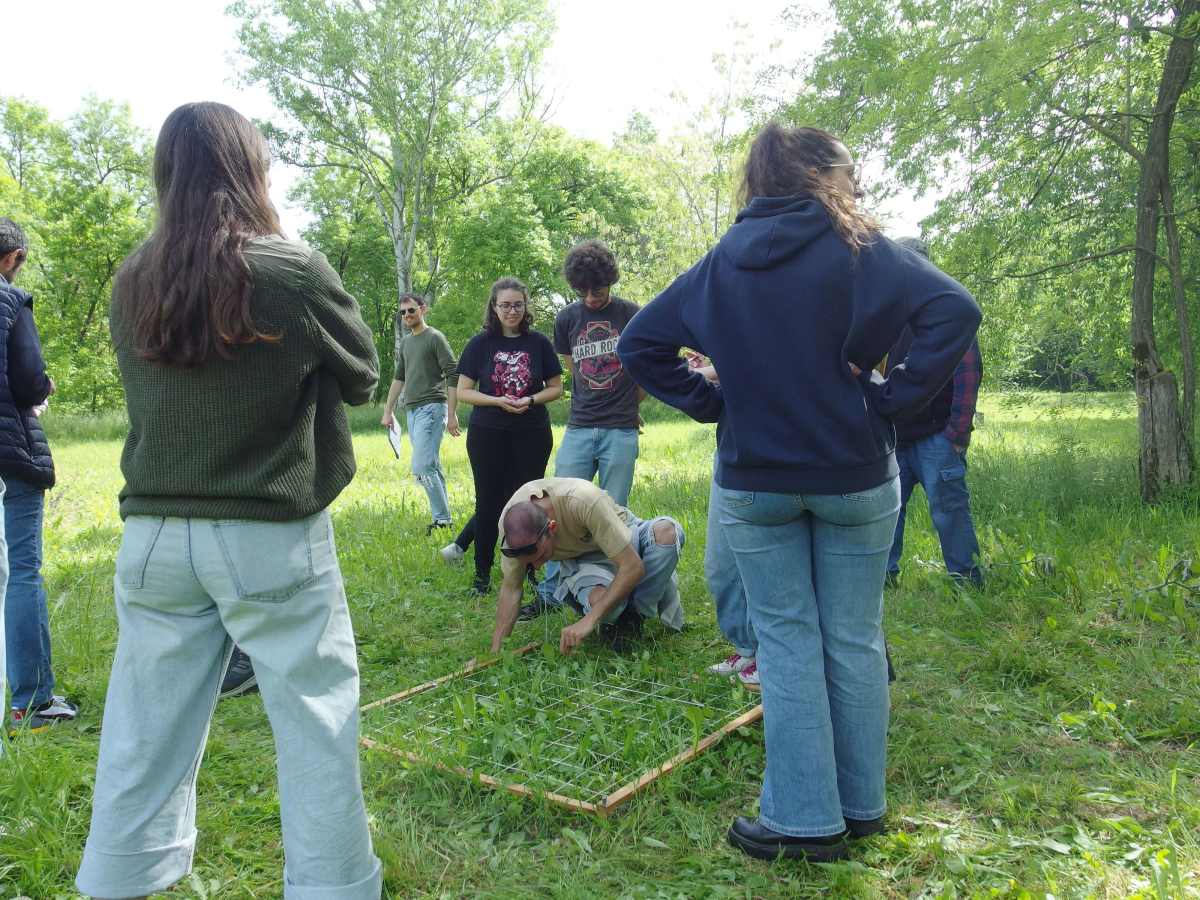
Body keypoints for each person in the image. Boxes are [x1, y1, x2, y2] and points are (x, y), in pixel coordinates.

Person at [619, 123, 980, 862]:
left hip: (757, 481)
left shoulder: (723, 261)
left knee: (785, 642)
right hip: (857, 474)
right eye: (848, 169)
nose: (857, 184)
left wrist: (717, 404)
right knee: (854, 637)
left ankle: (804, 822)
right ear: (815, 174)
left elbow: (639, 345)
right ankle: (861, 808)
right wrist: (891, 400)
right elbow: (956, 309)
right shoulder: (865, 249)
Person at [75, 102, 382, 900]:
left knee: (143, 727)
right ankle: (334, 888)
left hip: (152, 534)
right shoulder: (291, 270)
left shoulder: (131, 279)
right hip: (266, 530)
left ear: (166, 174)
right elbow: (362, 374)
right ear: (253, 169)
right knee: (315, 718)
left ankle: (118, 879)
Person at [521, 239, 647, 620]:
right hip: (579, 427)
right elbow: (574, 370)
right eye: (583, 292)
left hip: (620, 430)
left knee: (611, 515)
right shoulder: (566, 319)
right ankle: (550, 592)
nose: (591, 298)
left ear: (611, 281)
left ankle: (611, 591)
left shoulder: (632, 315)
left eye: (598, 290)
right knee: (554, 509)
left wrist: (630, 405)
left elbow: (647, 369)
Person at [0, 216, 77, 734]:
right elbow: (29, 382)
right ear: (13, 258)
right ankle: (30, 702)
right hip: (10, 458)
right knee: (21, 572)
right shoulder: (11, 301)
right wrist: (43, 388)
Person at [444, 277, 563, 594]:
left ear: (526, 307)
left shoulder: (539, 343)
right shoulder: (479, 344)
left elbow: (556, 388)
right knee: (488, 502)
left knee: (529, 504)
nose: (512, 311)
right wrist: (498, 401)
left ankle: (531, 569)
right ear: (494, 308)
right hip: (488, 433)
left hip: (532, 432)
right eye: (505, 305)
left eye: (518, 304)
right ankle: (481, 575)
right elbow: (464, 392)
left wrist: (530, 399)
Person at [885, 237, 985, 588]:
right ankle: (884, 579)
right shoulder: (887, 317)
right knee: (888, 513)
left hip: (937, 438)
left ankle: (968, 583)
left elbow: (968, 375)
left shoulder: (945, 314)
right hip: (894, 438)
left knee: (950, 512)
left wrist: (958, 433)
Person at [492, 478, 684, 654]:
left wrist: (588, 621)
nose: (536, 567)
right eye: (530, 563)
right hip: (583, 559)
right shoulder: (512, 531)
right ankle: (622, 612)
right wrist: (496, 651)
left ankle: (634, 616)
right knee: (600, 603)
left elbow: (633, 566)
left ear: (553, 528)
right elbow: (511, 589)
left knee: (667, 532)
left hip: (624, 538)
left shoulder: (582, 500)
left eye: (541, 556)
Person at [381, 293, 461, 532]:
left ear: (422, 310)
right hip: (412, 411)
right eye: (403, 312)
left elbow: (453, 373)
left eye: (411, 310)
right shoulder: (406, 342)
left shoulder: (435, 338)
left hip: (433, 408)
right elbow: (399, 377)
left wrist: (452, 413)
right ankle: (443, 519)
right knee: (431, 466)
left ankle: (443, 520)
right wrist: (387, 411)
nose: (407, 315)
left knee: (421, 467)